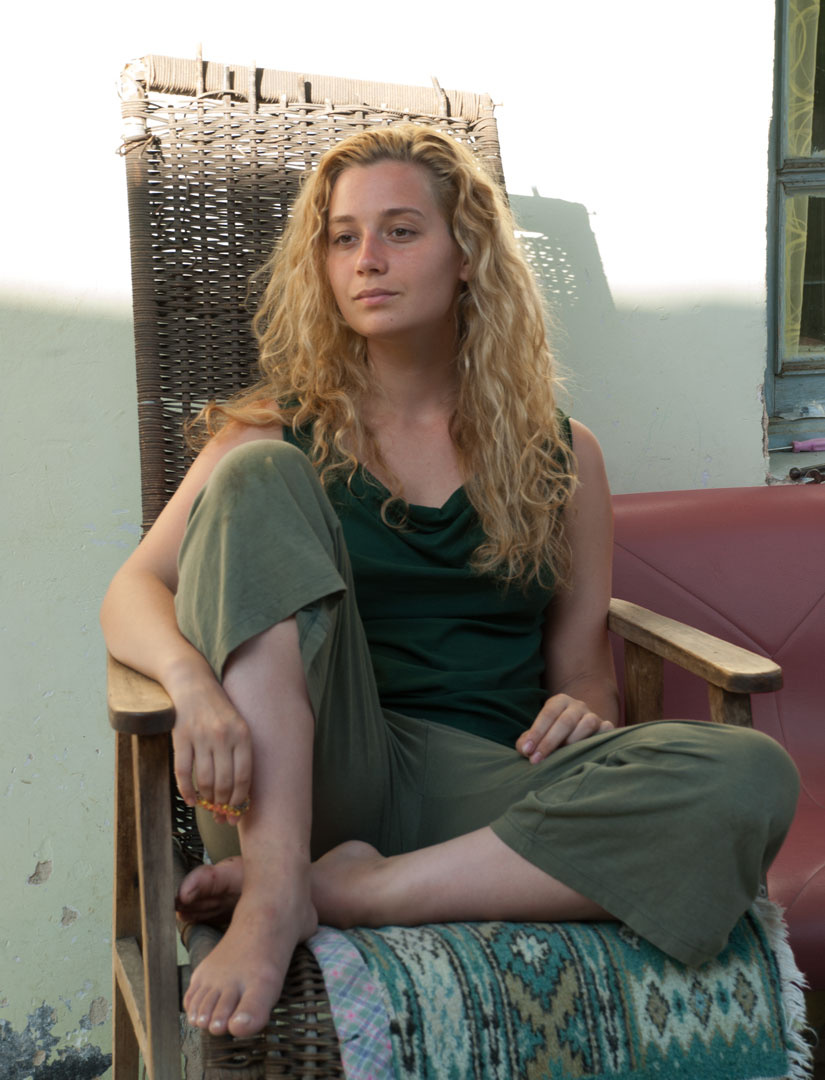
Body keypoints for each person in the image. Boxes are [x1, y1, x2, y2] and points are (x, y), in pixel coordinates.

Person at [101, 124, 799, 1042]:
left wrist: (584, 708)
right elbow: (130, 592)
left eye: (400, 231)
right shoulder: (270, 435)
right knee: (256, 476)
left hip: (489, 792)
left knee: (749, 775)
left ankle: (353, 892)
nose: (366, 259)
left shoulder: (563, 455)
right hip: (304, 778)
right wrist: (193, 687)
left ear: (466, 254)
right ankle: (273, 895)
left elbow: (581, 669)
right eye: (343, 238)